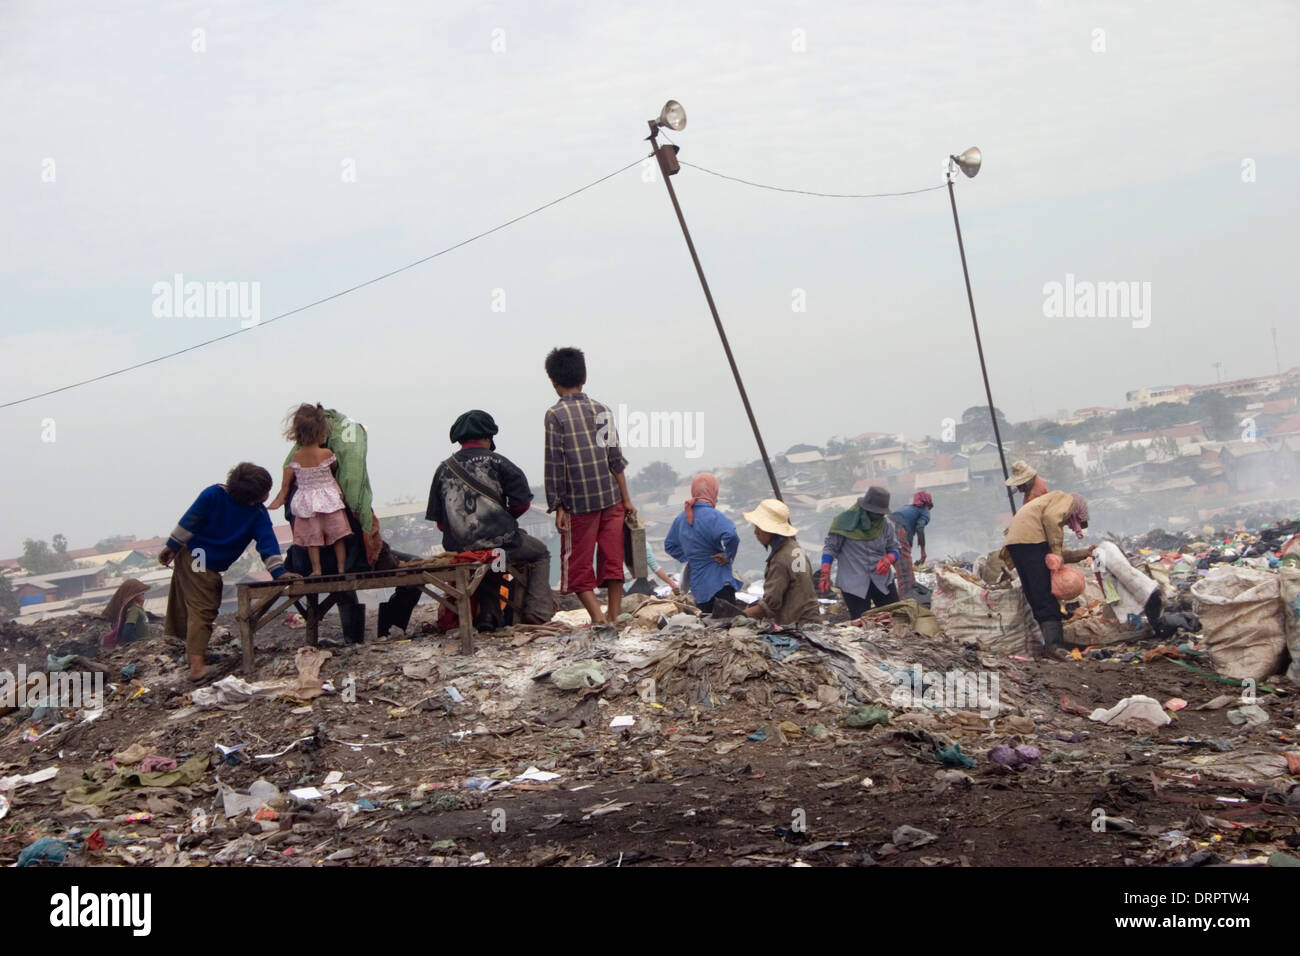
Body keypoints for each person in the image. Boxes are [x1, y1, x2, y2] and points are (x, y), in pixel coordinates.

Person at [161, 463, 293, 681]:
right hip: (198, 556)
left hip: (199, 557)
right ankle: (196, 667)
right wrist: (171, 547)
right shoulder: (220, 497)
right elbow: (190, 521)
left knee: (196, 603)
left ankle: (188, 650)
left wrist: (279, 572)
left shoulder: (242, 507)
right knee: (203, 607)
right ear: (256, 496)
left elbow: (267, 544)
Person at [425, 409, 554, 628]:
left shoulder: (443, 469)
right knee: (540, 553)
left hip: (461, 548)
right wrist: (501, 522)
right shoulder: (501, 463)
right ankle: (537, 612)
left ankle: (488, 615)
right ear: (488, 437)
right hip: (501, 546)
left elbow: (440, 522)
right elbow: (521, 503)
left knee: (489, 558)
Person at [543, 347, 636, 627]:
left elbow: (555, 464)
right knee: (612, 559)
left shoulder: (554, 415)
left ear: (553, 382)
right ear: (584, 377)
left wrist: (557, 505)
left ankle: (598, 619)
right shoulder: (602, 410)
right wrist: (626, 500)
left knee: (577, 565)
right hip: (611, 499)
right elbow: (615, 460)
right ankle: (613, 616)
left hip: (579, 505)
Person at [1004, 490, 1095, 660]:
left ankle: (1047, 645)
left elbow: (1053, 553)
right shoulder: (1068, 500)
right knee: (1045, 594)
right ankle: (1054, 646)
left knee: (1035, 592)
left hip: (1016, 542)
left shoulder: (1047, 504)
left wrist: (1082, 553)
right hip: (1030, 541)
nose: (1069, 524)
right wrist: (1056, 552)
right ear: (1077, 510)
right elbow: (1052, 522)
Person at [268, 404, 351, 577]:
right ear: (320, 432)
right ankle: (342, 568)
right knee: (337, 536)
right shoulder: (326, 453)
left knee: (313, 540)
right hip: (328, 501)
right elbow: (335, 466)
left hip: (307, 504)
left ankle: (316, 569)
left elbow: (290, 476)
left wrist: (281, 497)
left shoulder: (296, 457)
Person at [664, 473, 742, 613]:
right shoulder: (714, 516)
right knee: (727, 626)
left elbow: (669, 545)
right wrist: (727, 555)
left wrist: (690, 558)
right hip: (720, 583)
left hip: (698, 588)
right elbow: (732, 536)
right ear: (713, 491)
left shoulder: (681, 518)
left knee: (708, 627)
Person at [821, 485, 901, 618]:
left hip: (881, 580)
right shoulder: (844, 522)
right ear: (865, 509)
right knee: (861, 621)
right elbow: (830, 547)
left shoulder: (885, 524)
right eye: (876, 513)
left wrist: (889, 559)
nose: (878, 517)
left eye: (881, 513)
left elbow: (895, 548)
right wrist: (825, 571)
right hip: (853, 583)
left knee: (894, 616)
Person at [741, 499, 820, 627]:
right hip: (811, 620)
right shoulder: (794, 547)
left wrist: (739, 616)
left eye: (758, 528)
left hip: (797, 625)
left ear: (768, 530)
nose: (756, 533)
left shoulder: (780, 560)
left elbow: (770, 605)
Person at [890, 490, 934, 600]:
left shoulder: (906, 508)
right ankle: (908, 600)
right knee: (905, 572)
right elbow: (920, 528)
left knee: (890, 564)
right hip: (898, 532)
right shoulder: (924, 511)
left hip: (884, 531)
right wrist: (923, 551)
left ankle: (894, 598)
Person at [102, 578, 151, 649]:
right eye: (141, 593)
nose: (143, 594)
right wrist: (137, 645)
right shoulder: (134, 609)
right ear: (134, 595)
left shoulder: (137, 608)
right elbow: (127, 632)